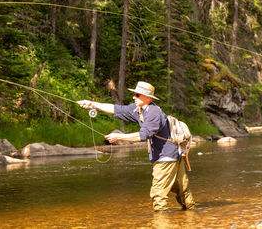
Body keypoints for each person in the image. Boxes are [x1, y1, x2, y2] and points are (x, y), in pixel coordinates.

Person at [77, 81, 195, 211]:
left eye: (137, 95)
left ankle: (161, 221)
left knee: (158, 195)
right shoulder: (138, 109)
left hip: (165, 156)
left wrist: (119, 136)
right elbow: (116, 109)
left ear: (148, 98)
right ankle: (191, 215)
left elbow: (142, 136)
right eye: (134, 94)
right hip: (173, 154)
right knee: (180, 187)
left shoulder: (154, 113)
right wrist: (93, 104)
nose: (134, 97)